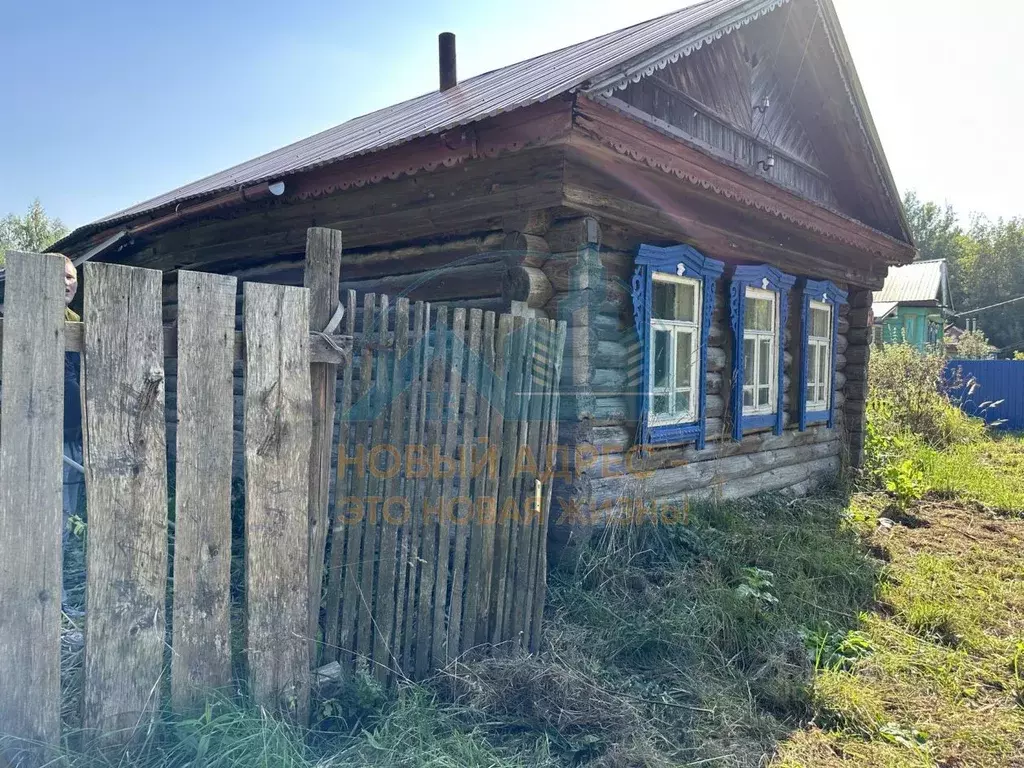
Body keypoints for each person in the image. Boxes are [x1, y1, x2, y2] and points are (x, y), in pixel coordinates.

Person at [62, 257, 85, 618]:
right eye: (62, 276)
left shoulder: (78, 324)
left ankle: (57, 595)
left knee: (65, 519)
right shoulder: (13, 314)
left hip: (73, 437)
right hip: (34, 437)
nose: (68, 282)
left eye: (72, 276)